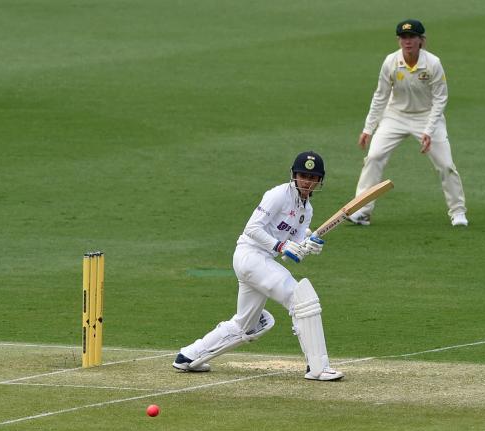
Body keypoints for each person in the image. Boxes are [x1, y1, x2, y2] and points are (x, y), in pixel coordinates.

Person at [173, 151, 344, 381]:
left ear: (319, 181)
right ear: (294, 175)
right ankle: (318, 367)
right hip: (250, 256)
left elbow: (293, 252)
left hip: (261, 263)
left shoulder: (307, 210)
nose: (307, 181)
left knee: (247, 324)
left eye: (313, 177)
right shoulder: (277, 195)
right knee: (302, 298)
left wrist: (307, 246)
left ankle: (187, 356)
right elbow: (252, 229)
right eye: (303, 175)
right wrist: (281, 246)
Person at [348, 19, 468, 227]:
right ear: (398, 40)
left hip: (427, 116)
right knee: (374, 157)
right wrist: (369, 128)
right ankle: (362, 211)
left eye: (412, 37)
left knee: (446, 165)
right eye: (404, 37)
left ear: (421, 40)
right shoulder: (390, 62)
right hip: (395, 116)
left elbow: (440, 99)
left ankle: (458, 212)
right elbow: (381, 96)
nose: (408, 41)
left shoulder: (433, 63)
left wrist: (429, 131)